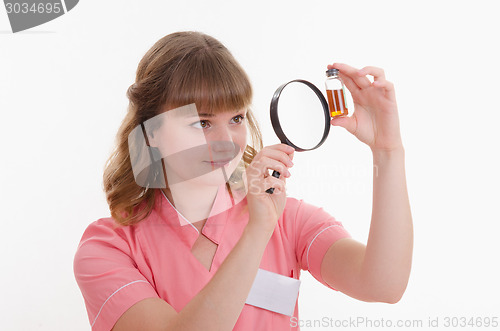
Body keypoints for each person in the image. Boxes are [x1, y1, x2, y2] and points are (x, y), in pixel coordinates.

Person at [73, 31, 413, 331]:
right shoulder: (108, 248)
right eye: (202, 123)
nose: (227, 141)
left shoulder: (288, 219)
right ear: (153, 132)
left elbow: (384, 285)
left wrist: (388, 150)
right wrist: (256, 232)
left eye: (236, 118)